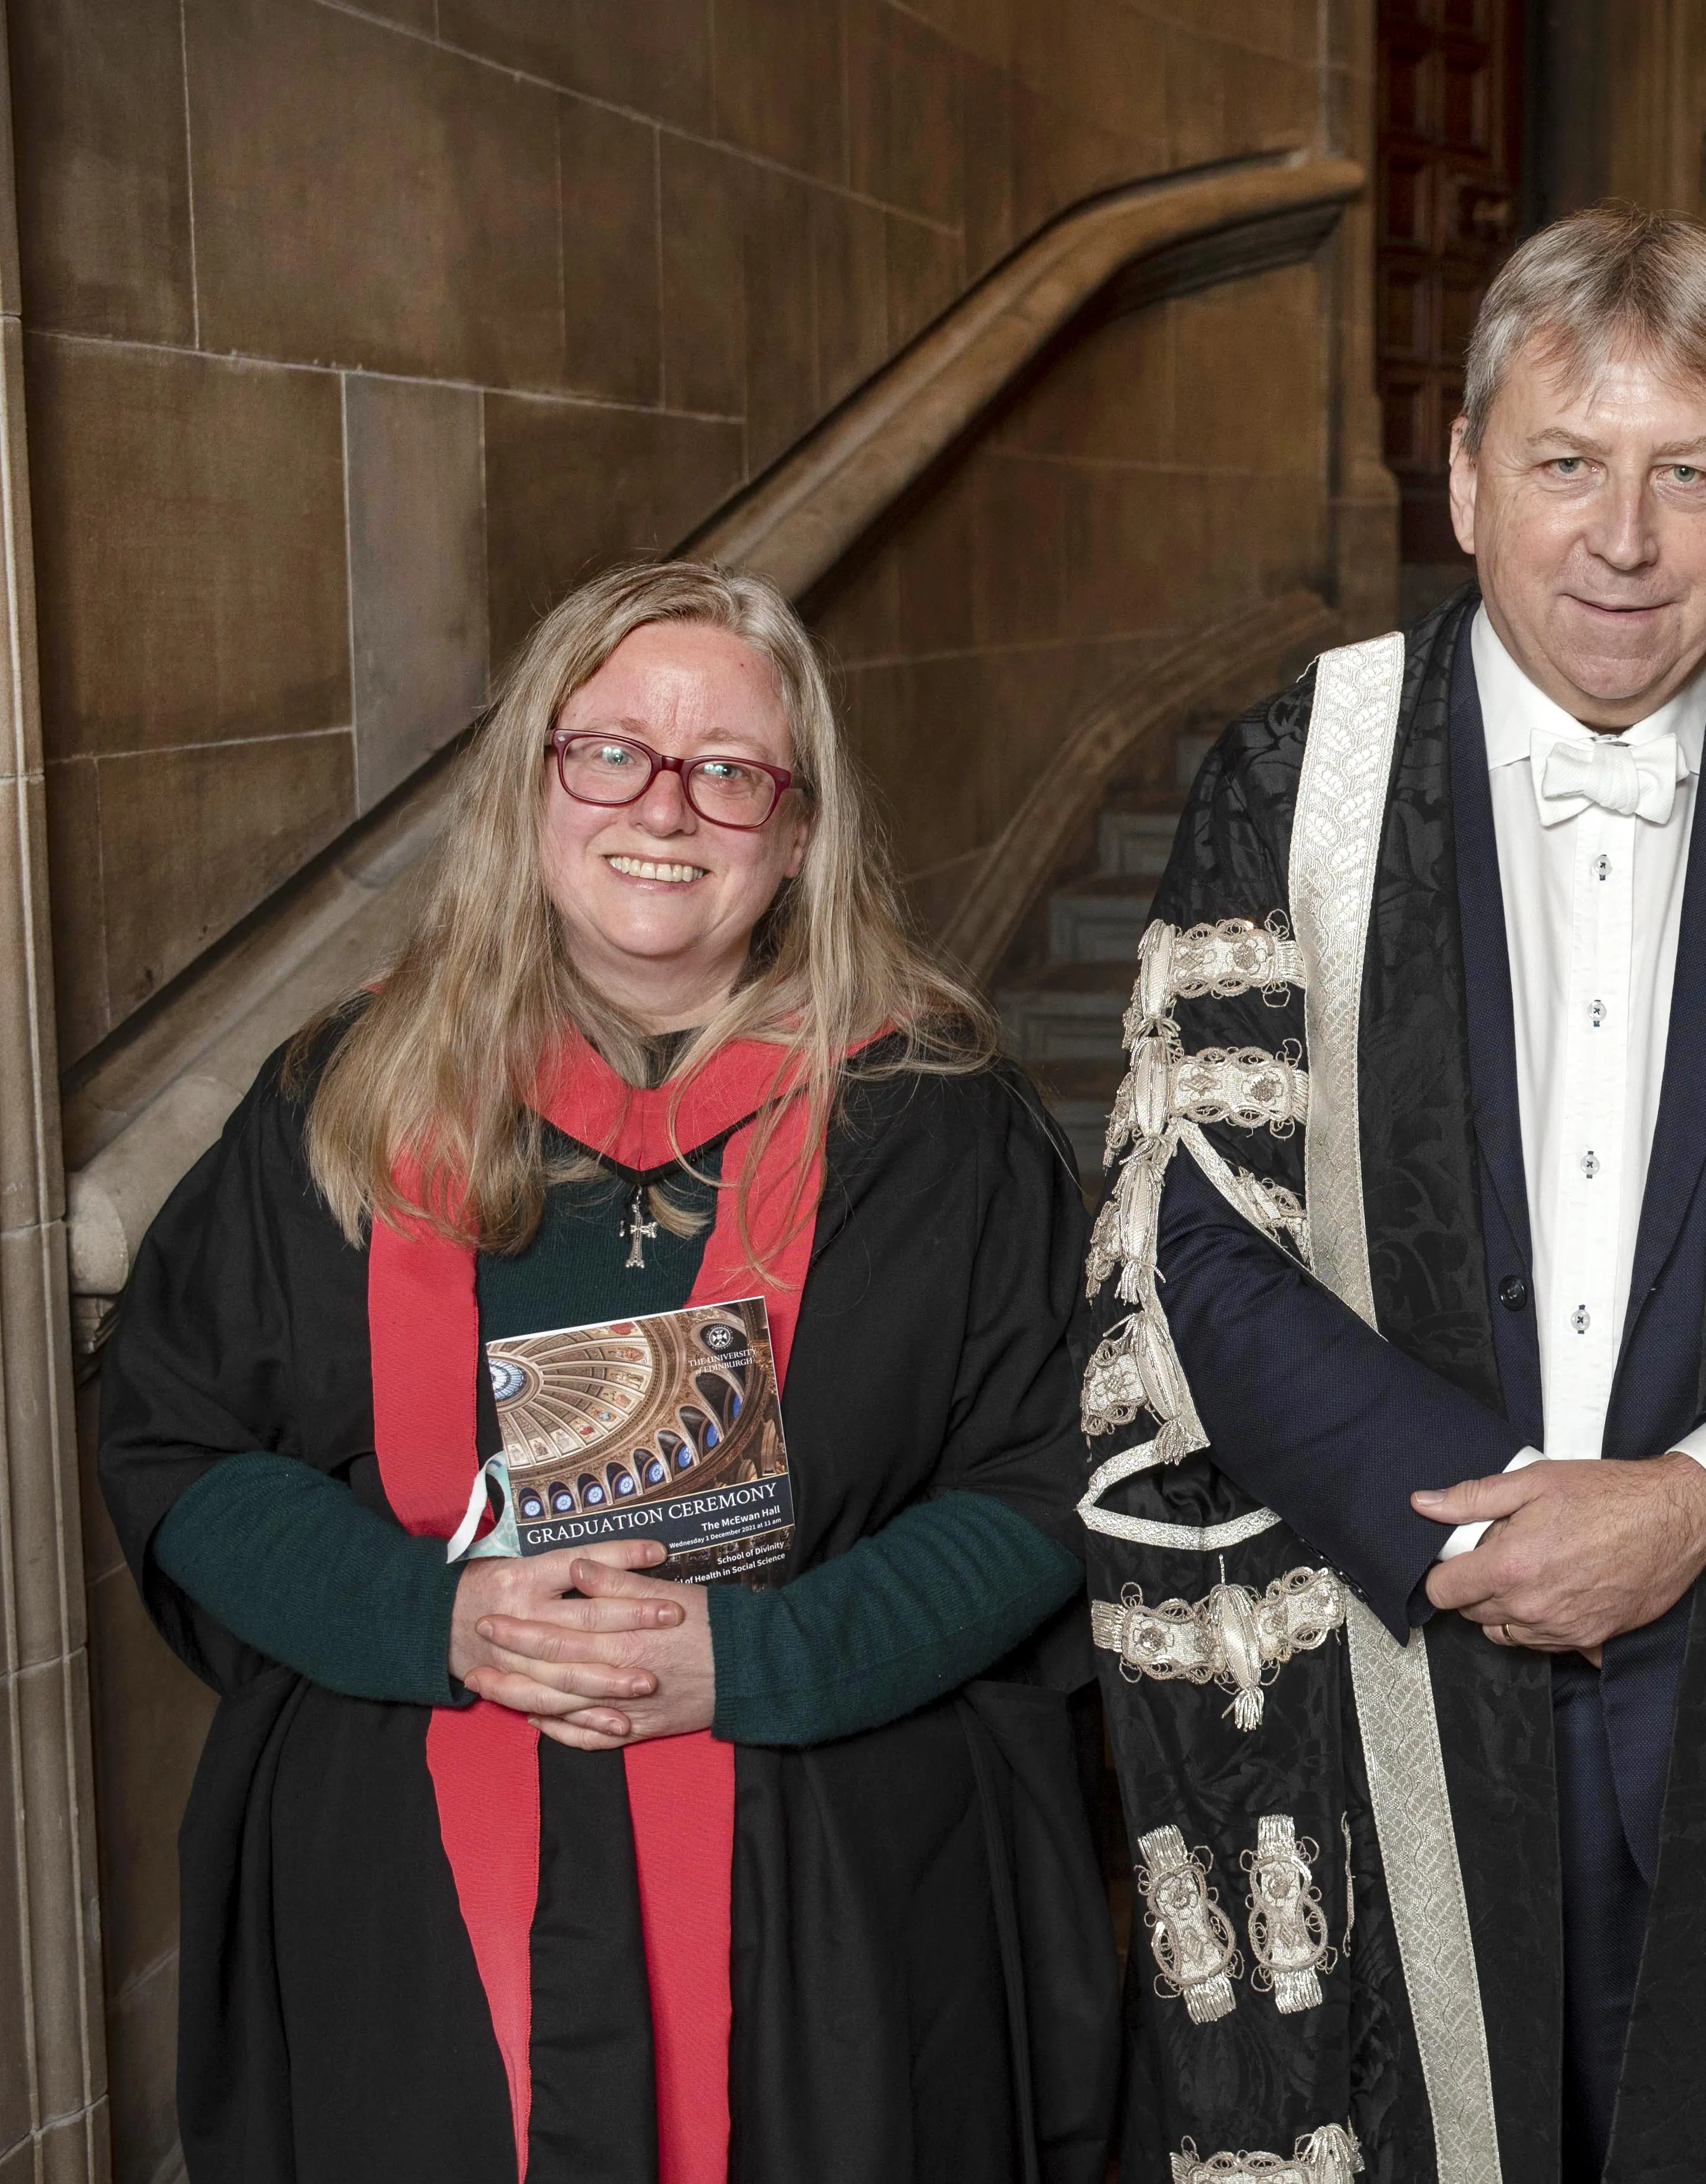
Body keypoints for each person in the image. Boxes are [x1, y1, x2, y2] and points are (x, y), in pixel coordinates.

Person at [1076, 205, 1706, 2184]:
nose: (1624, 536)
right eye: (1566, 464)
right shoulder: (1292, 776)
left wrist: (1699, 1500)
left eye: (1685, 475)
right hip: (1392, 1653)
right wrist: (1486, 1533)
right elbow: (1200, 1225)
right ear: (1465, 479)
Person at [101, 563, 1116, 2184]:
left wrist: (771, 1657)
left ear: (795, 828)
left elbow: (1046, 1477)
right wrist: (429, 1617)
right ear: (534, 782)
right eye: (611, 752)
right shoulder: (346, 1095)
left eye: (729, 767)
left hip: (829, 1925)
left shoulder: (938, 1123)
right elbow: (176, 1433)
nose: (668, 805)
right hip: (422, 1919)